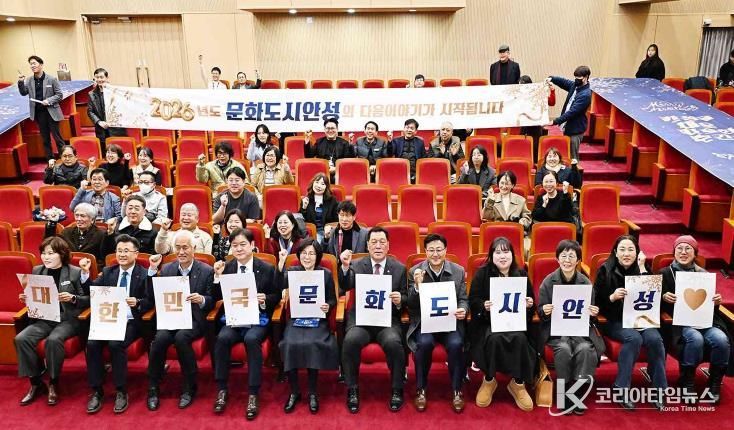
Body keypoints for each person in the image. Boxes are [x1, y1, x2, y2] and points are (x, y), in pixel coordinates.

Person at [338, 226, 408, 413]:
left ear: (388, 246)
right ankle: (352, 388)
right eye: (374, 242)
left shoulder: (399, 268)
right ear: (367, 245)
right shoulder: (356, 265)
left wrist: (400, 300)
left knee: (394, 343)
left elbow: (406, 296)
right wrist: (344, 267)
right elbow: (345, 285)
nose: (378, 246)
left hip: (387, 321)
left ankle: (397, 389)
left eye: (382, 242)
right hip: (362, 320)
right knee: (351, 341)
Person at [211, 228, 279, 419]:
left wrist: (264, 299)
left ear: (252, 245)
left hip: (257, 319)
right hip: (234, 319)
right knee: (222, 338)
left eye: (243, 244)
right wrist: (217, 278)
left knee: (251, 339)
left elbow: (275, 295)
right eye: (235, 245)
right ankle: (222, 389)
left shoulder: (266, 268)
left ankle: (253, 393)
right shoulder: (227, 268)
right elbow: (216, 297)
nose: (239, 249)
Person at [80, 235, 151, 414]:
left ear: (136, 253)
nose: (122, 254)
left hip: (130, 321)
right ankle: (97, 390)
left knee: (115, 343)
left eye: (126, 251)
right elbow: (93, 292)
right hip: (109, 320)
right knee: (92, 343)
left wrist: (138, 302)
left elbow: (151, 300)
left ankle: (121, 390)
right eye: (119, 251)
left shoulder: (144, 274)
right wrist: (86, 274)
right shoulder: (108, 272)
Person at [594, 235, 666, 411]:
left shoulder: (644, 269)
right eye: (622, 249)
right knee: (633, 339)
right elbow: (596, 303)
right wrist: (612, 297)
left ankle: (659, 389)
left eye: (631, 250)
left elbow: (654, 299)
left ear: (637, 253)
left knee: (655, 339)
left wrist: (642, 268)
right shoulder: (605, 270)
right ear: (615, 252)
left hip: (642, 319)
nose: (626, 254)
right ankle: (621, 387)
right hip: (615, 320)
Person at [146, 230, 214, 410]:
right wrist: (152, 271)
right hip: (171, 317)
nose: (181, 252)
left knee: (181, 338)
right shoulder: (167, 269)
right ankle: (153, 386)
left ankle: (189, 386)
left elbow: (212, 299)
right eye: (178, 248)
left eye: (185, 247)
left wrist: (202, 299)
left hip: (194, 319)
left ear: (194, 248)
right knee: (159, 339)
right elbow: (153, 296)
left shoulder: (206, 270)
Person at [14, 237, 87, 406]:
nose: (46, 257)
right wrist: (26, 298)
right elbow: (36, 296)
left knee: (54, 340)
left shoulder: (75, 272)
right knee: (22, 338)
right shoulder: (37, 270)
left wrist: (73, 298)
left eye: (51, 253)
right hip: (45, 318)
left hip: (67, 319)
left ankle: (54, 382)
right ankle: (36, 383)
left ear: (62, 254)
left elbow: (90, 298)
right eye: (43, 253)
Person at [537, 240, 604, 415]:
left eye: (572, 256)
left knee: (585, 349)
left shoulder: (585, 283)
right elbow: (540, 311)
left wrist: (593, 312)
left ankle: (576, 392)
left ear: (578, 260)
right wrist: (544, 310)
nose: (567, 260)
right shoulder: (548, 281)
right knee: (564, 349)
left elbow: (590, 315)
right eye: (563, 256)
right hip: (556, 330)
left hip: (579, 330)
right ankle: (564, 392)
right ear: (557, 258)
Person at [661, 235, 731, 404]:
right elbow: (655, 304)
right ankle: (687, 382)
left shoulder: (703, 274)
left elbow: (708, 307)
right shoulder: (664, 274)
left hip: (705, 321)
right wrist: (663, 297)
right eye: (679, 248)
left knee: (721, 339)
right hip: (679, 323)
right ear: (674, 252)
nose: (683, 252)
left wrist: (716, 302)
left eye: (688, 249)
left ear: (695, 253)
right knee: (695, 338)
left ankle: (714, 384)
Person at [469, 237, 536, 411]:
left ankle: (518, 383)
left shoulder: (521, 274)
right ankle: (489, 380)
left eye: (506, 252)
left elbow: (531, 301)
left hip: (515, 323)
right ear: (491, 256)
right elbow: (473, 300)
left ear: (512, 255)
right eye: (498, 252)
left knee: (520, 338)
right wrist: (483, 305)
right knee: (493, 338)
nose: (502, 256)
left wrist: (529, 304)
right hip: (488, 323)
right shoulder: (482, 274)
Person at [407, 234, 469, 413]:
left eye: (439, 250)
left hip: (449, 323)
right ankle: (421, 389)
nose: (435, 254)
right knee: (424, 343)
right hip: (425, 322)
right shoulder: (415, 271)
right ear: (425, 252)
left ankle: (457, 390)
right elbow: (410, 305)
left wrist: (463, 309)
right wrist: (417, 286)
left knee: (456, 343)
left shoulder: (458, 271)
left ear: (446, 250)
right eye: (431, 250)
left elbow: (463, 299)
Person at [280, 238, 339, 414]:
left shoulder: (325, 274)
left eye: (311, 253)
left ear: (318, 256)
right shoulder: (292, 272)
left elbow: (333, 299)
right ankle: (294, 391)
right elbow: (278, 285)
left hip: (318, 319)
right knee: (289, 343)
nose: (307, 257)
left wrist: (328, 306)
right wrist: (281, 266)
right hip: (296, 319)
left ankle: (313, 392)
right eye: (304, 253)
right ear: (299, 255)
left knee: (312, 343)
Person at [17, 55, 64, 160]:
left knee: (57, 138)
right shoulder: (29, 80)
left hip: (52, 112)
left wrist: (48, 101)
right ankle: (50, 160)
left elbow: (59, 95)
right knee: (45, 139)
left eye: (34, 63)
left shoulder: (51, 79)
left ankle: (64, 160)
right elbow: (23, 92)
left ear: (41, 64)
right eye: (31, 64)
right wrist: (20, 82)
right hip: (39, 113)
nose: (32, 66)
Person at [548, 66, 592, 161]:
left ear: (586, 77)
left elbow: (572, 112)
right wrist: (551, 78)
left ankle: (575, 171)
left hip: (576, 130)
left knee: (573, 158)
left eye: (579, 78)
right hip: (569, 127)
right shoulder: (576, 86)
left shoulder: (586, 94)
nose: (576, 80)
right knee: (567, 153)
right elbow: (564, 82)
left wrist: (555, 121)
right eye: (575, 77)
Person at [45, 203, 106, 267]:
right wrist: (52, 223)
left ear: (92, 220)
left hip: (90, 269)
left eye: (82, 216)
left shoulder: (101, 235)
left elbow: (103, 259)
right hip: (69, 269)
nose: (78, 219)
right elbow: (51, 243)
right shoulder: (67, 232)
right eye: (77, 215)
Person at [87, 68, 127, 152]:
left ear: (107, 78)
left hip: (116, 129)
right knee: (105, 152)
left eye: (101, 77)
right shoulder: (91, 94)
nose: (99, 80)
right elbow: (90, 111)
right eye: (97, 77)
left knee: (119, 152)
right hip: (101, 130)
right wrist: (98, 122)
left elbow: (123, 108)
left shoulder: (116, 91)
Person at [300, 172, 339, 243]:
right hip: (311, 233)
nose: (319, 186)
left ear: (326, 187)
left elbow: (336, 220)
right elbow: (302, 222)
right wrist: (304, 208)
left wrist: (329, 228)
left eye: (322, 184)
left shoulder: (332, 201)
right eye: (317, 182)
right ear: (312, 183)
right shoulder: (306, 199)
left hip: (326, 232)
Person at [388, 118, 428, 183]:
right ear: (404, 129)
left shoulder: (420, 142)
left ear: (416, 131)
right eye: (407, 127)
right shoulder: (396, 141)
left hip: (415, 172)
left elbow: (424, 158)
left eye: (412, 128)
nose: (409, 130)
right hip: (399, 171)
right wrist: (390, 142)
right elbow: (390, 154)